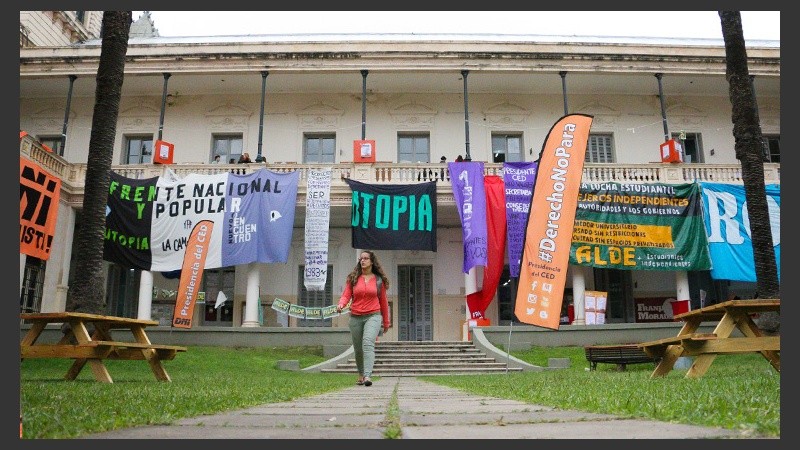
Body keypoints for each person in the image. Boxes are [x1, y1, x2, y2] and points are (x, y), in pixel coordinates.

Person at [336, 250, 390, 387]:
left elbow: (383, 301)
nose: (363, 261)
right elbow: (346, 295)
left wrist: (386, 322)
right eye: (361, 258)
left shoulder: (378, 281)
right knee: (358, 348)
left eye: (366, 258)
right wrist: (341, 304)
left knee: (367, 343)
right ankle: (360, 374)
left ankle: (367, 375)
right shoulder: (353, 278)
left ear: (372, 261)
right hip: (355, 317)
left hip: (373, 316)